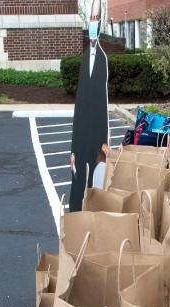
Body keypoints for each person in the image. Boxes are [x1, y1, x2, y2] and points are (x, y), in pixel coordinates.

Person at [68, 0, 109, 212]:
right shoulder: (85, 59)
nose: (93, 23)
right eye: (91, 19)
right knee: (78, 180)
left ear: (100, 25)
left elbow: (104, 107)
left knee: (95, 181)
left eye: (96, 19)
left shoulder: (102, 60)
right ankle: (75, 216)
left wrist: (104, 144)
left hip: (96, 135)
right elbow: (79, 106)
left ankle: (92, 219)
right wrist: (73, 149)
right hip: (82, 135)